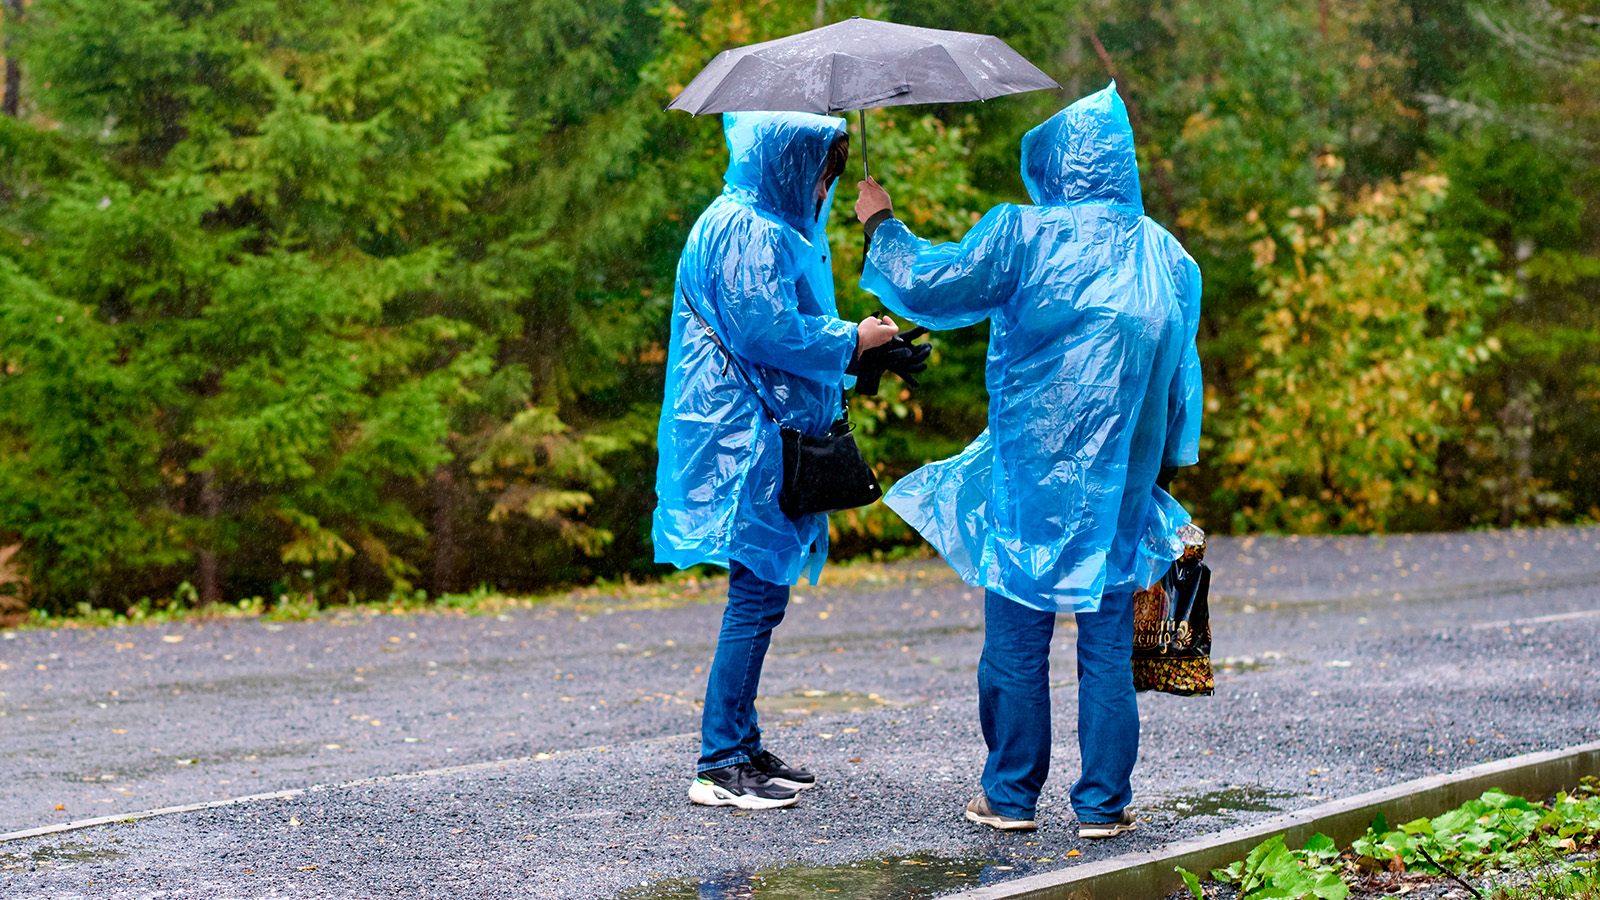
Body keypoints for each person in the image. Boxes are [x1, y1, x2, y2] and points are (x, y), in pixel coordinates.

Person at [853, 82, 1204, 837]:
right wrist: (1169, 463)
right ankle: (1103, 807)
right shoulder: (1169, 257)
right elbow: (1184, 376)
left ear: (1051, 166)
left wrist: (880, 221)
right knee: (1108, 639)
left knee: (1017, 635)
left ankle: (1010, 796)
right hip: (1123, 483)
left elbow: (931, 285)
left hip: (1032, 476)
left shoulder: (1022, 234)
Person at [653, 110, 903, 810]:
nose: (824, 192)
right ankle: (720, 761)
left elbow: (786, 327)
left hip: (759, 434)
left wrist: (864, 351)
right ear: (792, 166)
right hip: (742, 440)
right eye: (822, 176)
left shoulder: (768, 228)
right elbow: (767, 332)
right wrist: (851, 339)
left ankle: (742, 743)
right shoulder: (745, 228)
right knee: (756, 594)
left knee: (763, 592)